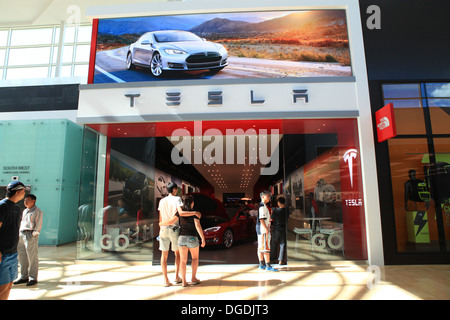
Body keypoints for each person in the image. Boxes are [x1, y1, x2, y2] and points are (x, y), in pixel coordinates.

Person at [158, 182, 200, 287]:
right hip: (174, 229)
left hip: (163, 229)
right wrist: (195, 213)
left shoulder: (162, 201)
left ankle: (165, 280)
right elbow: (180, 213)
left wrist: (162, 225)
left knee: (164, 255)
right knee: (177, 254)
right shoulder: (177, 199)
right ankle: (177, 277)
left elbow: (160, 217)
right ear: (175, 189)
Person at [0, 181, 29, 300]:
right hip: (3, 254)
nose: (24, 194)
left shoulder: (17, 208)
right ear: (18, 192)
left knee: (9, 284)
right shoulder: (2, 206)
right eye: (23, 192)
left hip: (12, 253)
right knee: (2, 286)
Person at [14, 194, 43, 287]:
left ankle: (33, 277)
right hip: (21, 234)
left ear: (33, 201)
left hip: (30, 234)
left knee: (32, 257)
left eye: (27, 200)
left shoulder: (37, 211)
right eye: (24, 200)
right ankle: (23, 276)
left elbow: (38, 223)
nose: (25, 202)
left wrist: (34, 234)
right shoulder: (25, 211)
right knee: (22, 256)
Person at [256, 190, 277, 272]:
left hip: (261, 229)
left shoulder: (263, 206)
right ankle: (268, 266)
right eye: (268, 196)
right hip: (263, 230)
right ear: (263, 196)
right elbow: (261, 219)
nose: (269, 198)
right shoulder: (262, 206)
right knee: (265, 247)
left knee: (261, 247)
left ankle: (262, 264)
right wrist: (266, 229)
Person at [270, 197, 288, 265]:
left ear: (279, 203)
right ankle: (281, 260)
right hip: (283, 229)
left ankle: (273, 259)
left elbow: (272, 217)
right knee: (282, 244)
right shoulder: (286, 210)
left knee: (274, 244)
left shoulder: (276, 210)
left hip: (276, 229)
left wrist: (272, 212)